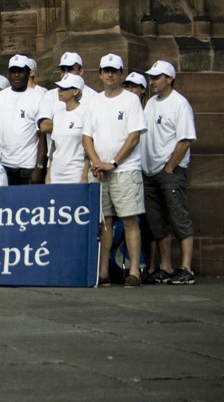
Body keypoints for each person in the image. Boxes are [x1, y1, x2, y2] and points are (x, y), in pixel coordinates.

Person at [82, 53, 147, 288]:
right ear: (100, 74)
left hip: (125, 170)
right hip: (100, 171)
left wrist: (114, 163)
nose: (109, 74)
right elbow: (87, 136)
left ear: (120, 74)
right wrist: (97, 162)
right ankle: (103, 272)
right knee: (105, 222)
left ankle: (134, 272)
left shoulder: (130, 100)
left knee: (129, 220)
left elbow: (134, 137)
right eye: (105, 70)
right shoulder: (94, 101)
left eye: (114, 71)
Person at [141, 60, 197, 285]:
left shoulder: (180, 103)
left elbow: (185, 139)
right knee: (157, 221)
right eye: (151, 77)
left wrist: (170, 167)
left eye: (157, 77)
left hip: (169, 171)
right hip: (150, 171)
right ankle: (165, 266)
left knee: (178, 216)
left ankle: (186, 268)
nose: (152, 81)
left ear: (170, 78)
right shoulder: (151, 102)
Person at [0, 55, 45, 185]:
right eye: (13, 71)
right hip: (3, 164)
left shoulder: (38, 97)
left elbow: (41, 136)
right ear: (9, 74)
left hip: (28, 166)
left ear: (28, 73)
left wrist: (39, 167)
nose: (17, 75)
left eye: (20, 71)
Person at [46, 74, 89, 184]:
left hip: (75, 174)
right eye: (59, 88)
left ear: (75, 91)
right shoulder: (58, 115)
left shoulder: (85, 113)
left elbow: (88, 148)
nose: (59, 91)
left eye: (64, 89)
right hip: (56, 174)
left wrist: (84, 176)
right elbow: (54, 148)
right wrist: (48, 175)